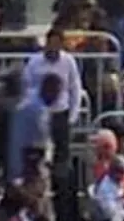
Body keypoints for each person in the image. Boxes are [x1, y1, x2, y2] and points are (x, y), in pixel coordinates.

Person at [21, 28, 84, 179]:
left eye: (57, 43)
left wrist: (73, 116)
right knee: (36, 151)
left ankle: (60, 185)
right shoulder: (34, 61)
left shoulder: (68, 61)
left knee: (62, 155)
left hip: (60, 113)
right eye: (50, 43)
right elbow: (25, 86)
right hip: (38, 113)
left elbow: (75, 88)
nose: (53, 47)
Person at [7, 72, 60, 185]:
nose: (58, 98)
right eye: (56, 93)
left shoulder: (31, 101)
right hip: (28, 159)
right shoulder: (37, 110)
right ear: (48, 90)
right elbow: (41, 137)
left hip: (24, 157)